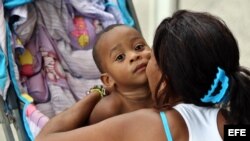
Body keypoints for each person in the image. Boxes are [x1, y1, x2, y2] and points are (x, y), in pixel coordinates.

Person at [35, 10, 250, 141]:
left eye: (144, 48)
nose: (138, 58)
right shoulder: (229, 125)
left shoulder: (148, 124)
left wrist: (94, 94)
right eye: (120, 57)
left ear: (166, 76)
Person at [89, 24, 152, 124]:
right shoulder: (109, 109)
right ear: (108, 79)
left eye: (139, 47)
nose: (134, 56)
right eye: (120, 57)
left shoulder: (168, 89)